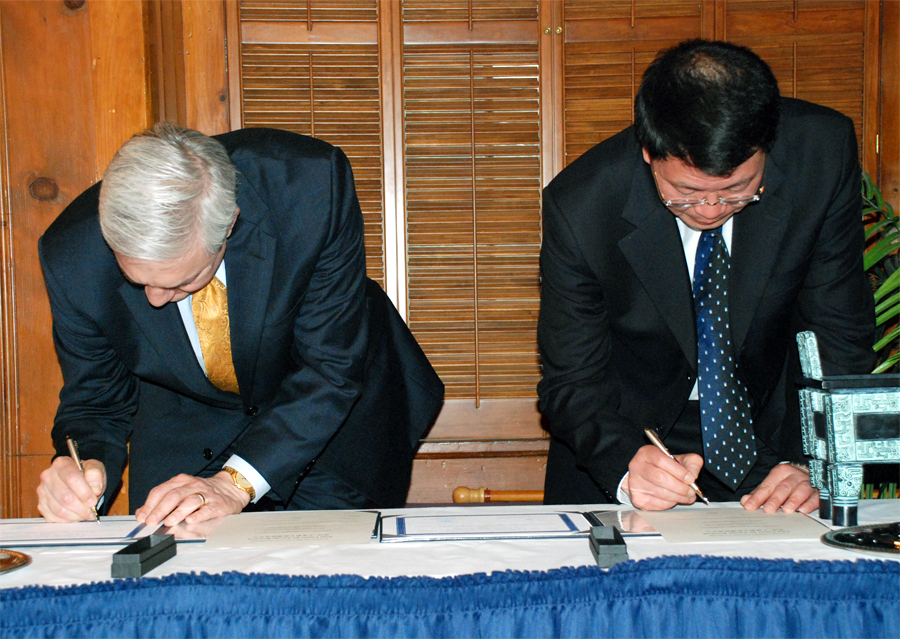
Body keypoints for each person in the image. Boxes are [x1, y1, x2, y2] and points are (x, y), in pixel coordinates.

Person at [37, 124, 444, 526]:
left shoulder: (308, 185)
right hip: (185, 420)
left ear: (229, 224)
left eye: (180, 282)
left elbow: (331, 366)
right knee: (176, 571)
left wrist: (234, 485)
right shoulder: (71, 257)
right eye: (138, 281)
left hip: (328, 416)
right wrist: (83, 468)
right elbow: (96, 400)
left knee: (328, 570)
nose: (155, 300)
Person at [537, 39, 875, 513]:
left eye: (738, 190)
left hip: (774, 435)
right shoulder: (583, 207)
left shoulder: (821, 154)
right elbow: (571, 381)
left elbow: (838, 330)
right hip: (629, 440)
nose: (712, 209)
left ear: (767, 147)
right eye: (687, 192)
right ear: (648, 152)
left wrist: (811, 461)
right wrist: (624, 465)